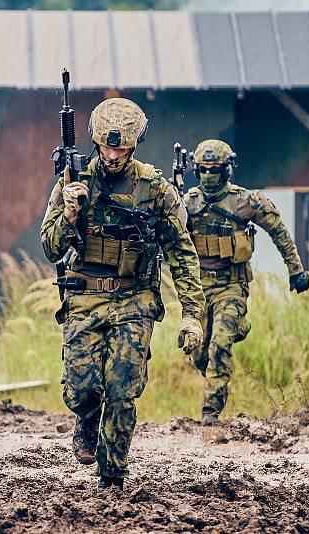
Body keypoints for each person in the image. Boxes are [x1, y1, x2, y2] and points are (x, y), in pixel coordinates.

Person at [40, 98, 204, 490]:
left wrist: (193, 314)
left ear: (134, 146)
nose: (113, 156)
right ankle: (85, 417)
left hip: (135, 300)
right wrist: (69, 215)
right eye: (107, 147)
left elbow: (182, 251)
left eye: (122, 149)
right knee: (82, 389)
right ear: (96, 143)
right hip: (84, 296)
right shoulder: (72, 183)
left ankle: (111, 479)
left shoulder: (154, 188)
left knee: (122, 389)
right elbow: (49, 248)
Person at [183, 139, 309, 425]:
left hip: (231, 287)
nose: (208, 176)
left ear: (227, 170)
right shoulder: (188, 203)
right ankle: (232, 337)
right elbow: (166, 238)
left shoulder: (245, 201)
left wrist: (296, 270)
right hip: (199, 288)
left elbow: (279, 231)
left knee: (219, 346)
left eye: (214, 169)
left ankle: (210, 413)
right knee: (199, 353)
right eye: (202, 169)